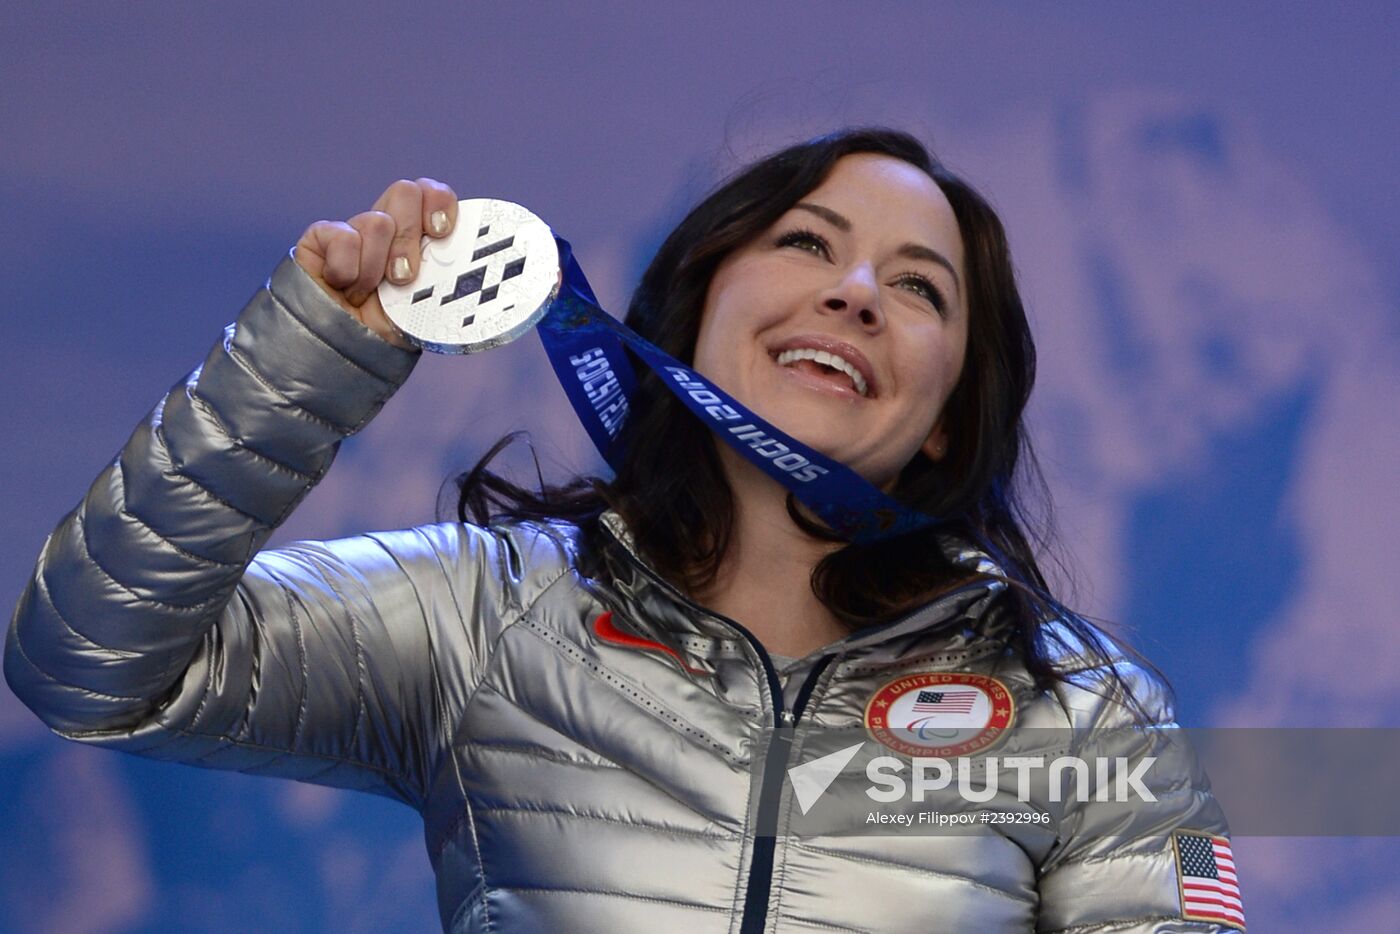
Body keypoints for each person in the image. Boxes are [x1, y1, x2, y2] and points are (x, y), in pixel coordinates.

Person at [5, 129, 1243, 932]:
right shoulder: (488, 614)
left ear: (942, 415)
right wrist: (309, 351)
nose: (855, 290)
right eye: (807, 242)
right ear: (693, 309)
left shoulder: (1084, 712)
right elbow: (89, 668)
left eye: (916, 287)